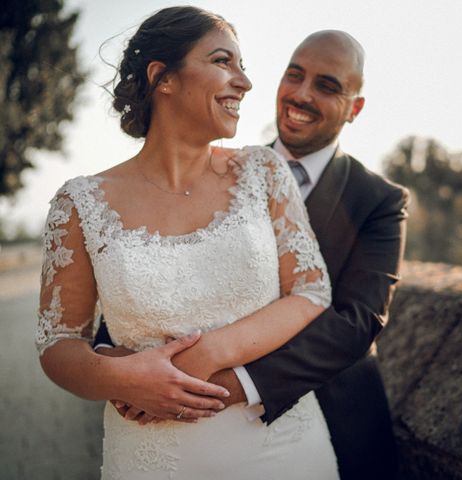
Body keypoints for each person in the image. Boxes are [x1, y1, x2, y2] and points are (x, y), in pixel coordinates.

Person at [36, 6, 340, 479]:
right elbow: (59, 344)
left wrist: (206, 356)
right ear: (163, 78)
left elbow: (311, 291)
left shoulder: (263, 172)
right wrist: (123, 377)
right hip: (154, 458)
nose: (244, 82)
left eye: (243, 66)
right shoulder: (80, 203)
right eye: (224, 62)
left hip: (284, 447)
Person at [98, 29, 410, 479]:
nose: (300, 95)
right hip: (190, 432)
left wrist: (221, 384)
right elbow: (156, 266)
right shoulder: (220, 169)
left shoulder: (379, 199)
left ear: (355, 107)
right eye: (294, 76)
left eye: (326, 86)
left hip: (336, 421)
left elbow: (357, 321)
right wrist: (114, 357)